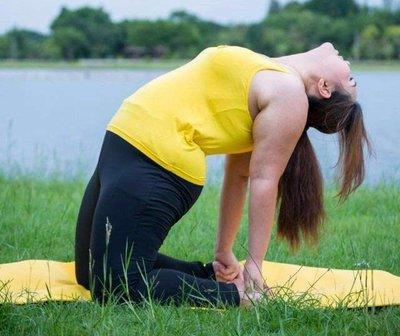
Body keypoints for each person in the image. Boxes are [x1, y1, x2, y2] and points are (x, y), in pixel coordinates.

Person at [74, 43, 372, 308]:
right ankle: (213, 278)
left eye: (350, 79)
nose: (349, 65)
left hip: (158, 163)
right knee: (88, 272)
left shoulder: (290, 94)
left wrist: (254, 265)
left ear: (323, 87)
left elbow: (263, 180)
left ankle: (236, 297)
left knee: (116, 286)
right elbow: (236, 174)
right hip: (122, 144)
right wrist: (223, 253)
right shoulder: (271, 71)